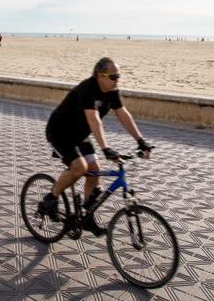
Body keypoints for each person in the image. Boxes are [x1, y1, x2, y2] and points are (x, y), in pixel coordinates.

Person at [39, 57, 154, 236]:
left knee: (94, 172)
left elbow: (123, 114)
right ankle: (50, 198)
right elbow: (94, 120)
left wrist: (140, 141)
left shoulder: (112, 91)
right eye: (114, 77)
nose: (117, 80)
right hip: (60, 132)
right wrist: (105, 148)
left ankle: (87, 218)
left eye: (118, 76)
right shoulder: (88, 89)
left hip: (80, 135)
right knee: (80, 167)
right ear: (101, 76)